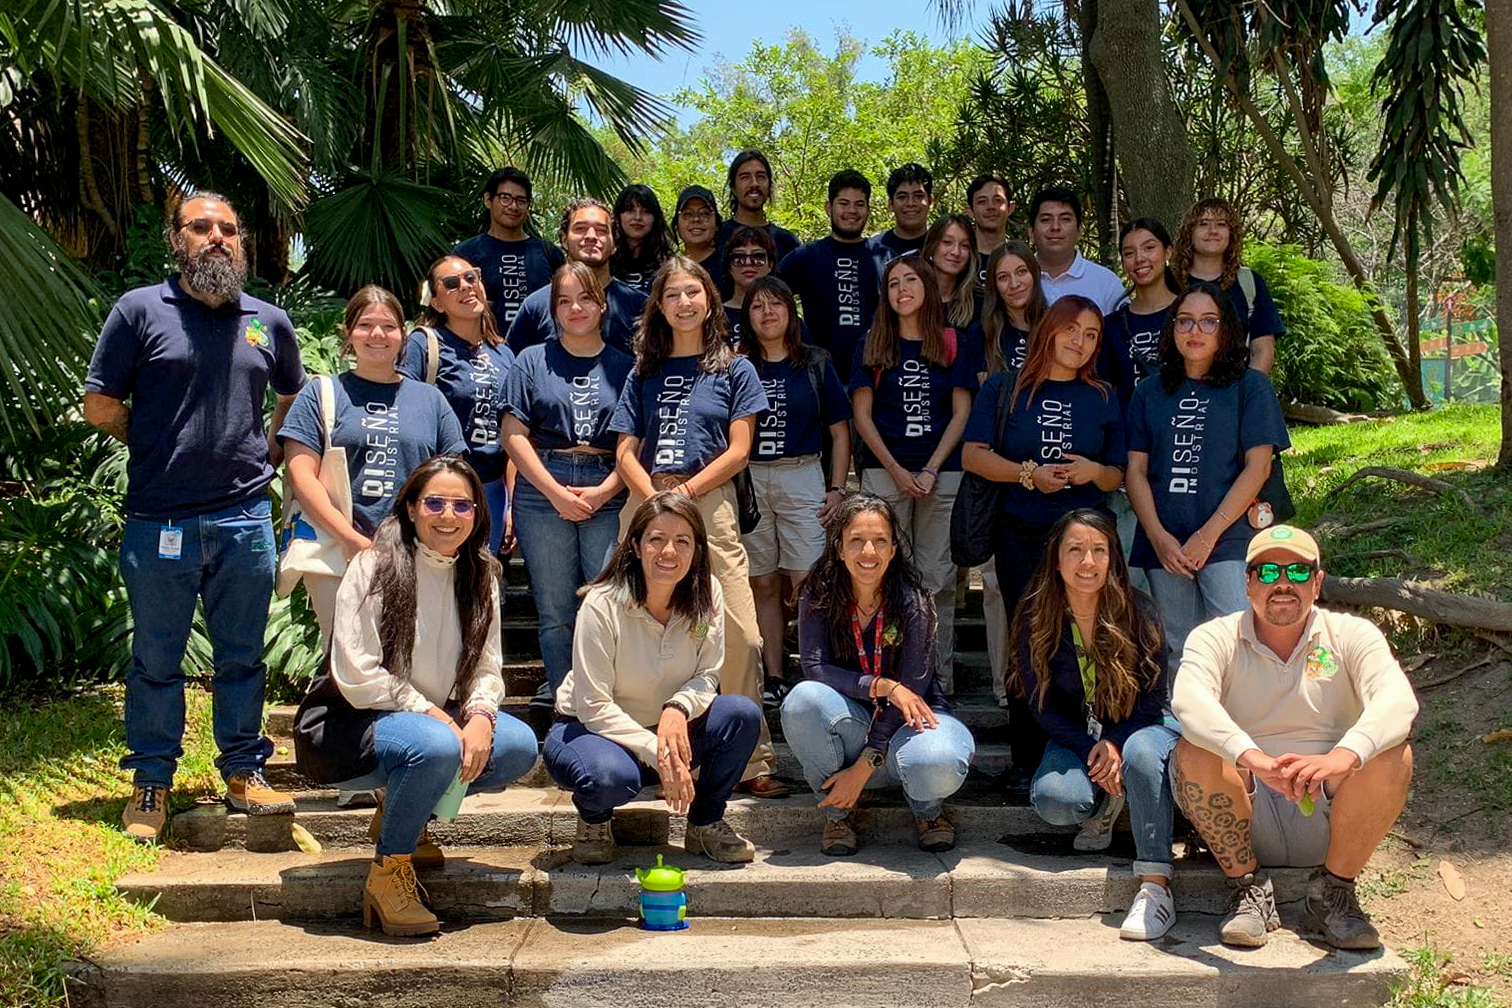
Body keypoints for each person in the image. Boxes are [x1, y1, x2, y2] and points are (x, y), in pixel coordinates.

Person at [85, 191, 304, 843]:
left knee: (243, 656)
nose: (217, 237)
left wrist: (268, 448)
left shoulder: (267, 321)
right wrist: (153, 444)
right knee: (157, 659)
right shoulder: (139, 311)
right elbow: (100, 406)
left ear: (242, 242)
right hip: (161, 520)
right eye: (201, 226)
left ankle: (243, 771)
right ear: (175, 238)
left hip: (244, 518)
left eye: (228, 229)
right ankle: (152, 780)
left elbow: (291, 395)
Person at [295, 457, 539, 936]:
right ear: (410, 508)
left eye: (462, 505)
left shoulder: (480, 574)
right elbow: (358, 673)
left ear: (477, 513)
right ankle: (389, 873)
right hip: (350, 724)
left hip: (429, 723)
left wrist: (481, 715)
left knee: (517, 746)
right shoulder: (374, 566)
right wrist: (432, 713)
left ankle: (407, 811)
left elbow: (487, 666)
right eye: (434, 503)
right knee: (437, 746)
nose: (448, 516)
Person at [1172, 525, 1417, 950]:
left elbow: (1398, 701)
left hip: (1331, 807)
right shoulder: (1214, 637)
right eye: (1268, 572)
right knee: (1194, 751)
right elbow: (1190, 703)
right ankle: (1247, 890)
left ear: (1317, 583)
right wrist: (1252, 758)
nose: (1283, 583)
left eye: (1298, 571)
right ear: (1247, 582)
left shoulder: (1353, 635)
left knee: (1395, 755)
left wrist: (1343, 756)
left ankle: (1334, 893)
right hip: (1246, 804)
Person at [609, 257, 785, 797]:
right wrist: (653, 497)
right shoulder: (643, 371)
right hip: (646, 500)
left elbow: (739, 451)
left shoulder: (735, 369)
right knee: (632, 624)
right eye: (672, 295)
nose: (683, 303)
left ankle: (749, 759)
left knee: (741, 634)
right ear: (659, 307)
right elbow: (624, 449)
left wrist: (683, 496)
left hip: (709, 501)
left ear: (709, 300)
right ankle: (636, 749)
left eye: (693, 292)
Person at [962, 294, 1126, 800]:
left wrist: (1093, 471)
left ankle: (1088, 744)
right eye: (1072, 329)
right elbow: (972, 456)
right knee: (1026, 642)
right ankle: (1025, 757)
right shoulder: (1005, 388)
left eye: (1092, 335)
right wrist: (1027, 475)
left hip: (1087, 540)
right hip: (1023, 534)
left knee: (1089, 638)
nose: (1081, 342)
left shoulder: (1103, 395)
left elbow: (1118, 473)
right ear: (1049, 330)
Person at [544, 493, 763, 865]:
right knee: (606, 777)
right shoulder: (602, 603)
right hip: (592, 730)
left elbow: (707, 673)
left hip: (667, 728)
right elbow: (593, 705)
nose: (669, 552)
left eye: (682, 541)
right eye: (656, 539)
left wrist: (678, 708)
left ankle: (706, 822)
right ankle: (594, 820)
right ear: (635, 546)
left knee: (740, 714)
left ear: (697, 549)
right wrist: (658, 752)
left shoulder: (708, 591)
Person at [1009, 509, 1180, 941]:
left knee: (1143, 754)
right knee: (1056, 801)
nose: (1088, 561)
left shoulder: (1140, 610)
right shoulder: (1035, 615)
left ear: (1113, 558)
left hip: (1140, 727)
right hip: (1078, 736)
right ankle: (1108, 796)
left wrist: (1116, 742)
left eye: (1099, 550)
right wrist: (1093, 748)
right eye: (1075, 550)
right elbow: (1039, 704)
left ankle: (1150, 865)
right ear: (1056, 559)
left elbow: (1155, 697)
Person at [781, 494, 975, 855]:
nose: (868, 551)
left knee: (939, 760)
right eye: (856, 540)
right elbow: (815, 668)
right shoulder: (819, 594)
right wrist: (881, 686)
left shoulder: (914, 600)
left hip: (909, 727)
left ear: (893, 549)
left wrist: (865, 765)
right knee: (802, 701)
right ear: (839, 548)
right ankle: (838, 813)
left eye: (880, 540)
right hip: (852, 725)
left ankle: (928, 811)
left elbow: (913, 688)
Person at [278, 286, 465, 641]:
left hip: (417, 552)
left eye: (388, 326)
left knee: (412, 655)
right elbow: (301, 475)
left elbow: (453, 479)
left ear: (403, 335)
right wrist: (350, 538)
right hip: (338, 551)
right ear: (348, 332)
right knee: (348, 656)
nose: (377, 334)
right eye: (365, 325)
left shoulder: (431, 400)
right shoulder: (321, 394)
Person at [1125, 282, 1289, 667]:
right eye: (1184, 321)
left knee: (1238, 640)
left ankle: (1244, 710)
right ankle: (1184, 710)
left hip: (1228, 535)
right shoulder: (1148, 392)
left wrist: (1208, 535)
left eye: (1208, 321)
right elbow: (1135, 470)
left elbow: (1259, 467)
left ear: (1225, 328)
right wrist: (1158, 538)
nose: (1195, 331)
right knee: (1180, 649)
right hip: (1165, 541)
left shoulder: (1250, 386)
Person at [502, 262, 634, 729]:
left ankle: (608, 706)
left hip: (608, 482)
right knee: (555, 610)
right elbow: (513, 434)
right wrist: (555, 492)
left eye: (584, 298)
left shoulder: (625, 365)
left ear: (602, 305)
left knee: (609, 603)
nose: (575, 308)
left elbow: (635, 442)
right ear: (553, 310)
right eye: (564, 301)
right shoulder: (531, 360)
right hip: (543, 485)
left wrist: (604, 491)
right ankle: (566, 709)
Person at [850, 256, 977, 691]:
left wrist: (930, 468)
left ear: (927, 287)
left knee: (937, 579)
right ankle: (889, 675)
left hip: (942, 473)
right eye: (893, 284)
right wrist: (897, 470)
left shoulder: (953, 342)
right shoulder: (872, 343)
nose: (901, 290)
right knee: (883, 575)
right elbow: (862, 416)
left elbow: (962, 412)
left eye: (910, 281)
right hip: (885, 474)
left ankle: (936, 678)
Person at [738, 275, 853, 695]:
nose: (767, 313)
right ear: (747, 317)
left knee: (809, 579)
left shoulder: (815, 362)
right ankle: (773, 676)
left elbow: (840, 431)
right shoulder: (738, 365)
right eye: (757, 306)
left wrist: (837, 489)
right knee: (762, 581)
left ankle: (817, 673)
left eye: (776, 304)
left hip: (802, 473)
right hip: (750, 477)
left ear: (791, 311)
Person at [398, 255, 516, 557]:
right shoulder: (424, 345)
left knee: (480, 576)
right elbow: (405, 414)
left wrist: (512, 504)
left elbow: (515, 430)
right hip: (441, 491)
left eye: (471, 277)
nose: (465, 286)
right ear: (437, 303)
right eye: (451, 283)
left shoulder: (504, 353)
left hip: (492, 488)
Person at [505, 198, 650, 355]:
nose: (591, 236)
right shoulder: (536, 305)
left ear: (615, 243)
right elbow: (511, 363)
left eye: (601, 230)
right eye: (580, 229)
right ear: (564, 239)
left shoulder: (641, 307)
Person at [777, 170, 880, 385]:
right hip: (819, 380)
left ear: (868, 210)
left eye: (859, 204)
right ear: (828, 207)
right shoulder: (804, 257)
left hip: (877, 378)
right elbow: (768, 298)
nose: (851, 211)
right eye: (844, 203)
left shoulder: (885, 258)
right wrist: (798, 339)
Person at [1170, 198, 1284, 373]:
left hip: (1236, 385)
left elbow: (1262, 350)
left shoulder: (1250, 283)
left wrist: (1250, 388)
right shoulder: (1170, 281)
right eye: (1204, 224)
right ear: (1189, 232)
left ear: (1231, 234)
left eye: (1221, 224)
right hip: (1176, 385)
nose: (1213, 231)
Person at [454, 167, 565, 328]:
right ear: (488, 200)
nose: (513, 206)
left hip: (541, 343)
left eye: (521, 200)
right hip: (485, 342)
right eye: (505, 198)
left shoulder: (549, 254)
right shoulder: (466, 254)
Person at [1029, 186, 1125, 314]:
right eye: (1046, 220)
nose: (1055, 227)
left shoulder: (1106, 283)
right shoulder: (1016, 281)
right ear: (1031, 231)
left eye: (1065, 219)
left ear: (1080, 230)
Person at [1109, 218, 1180, 384]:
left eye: (1149, 248)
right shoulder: (1112, 326)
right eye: (1129, 253)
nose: (1139, 258)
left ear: (1168, 252)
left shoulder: (1191, 314)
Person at [976, 240, 1048, 375]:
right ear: (994, 285)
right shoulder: (981, 333)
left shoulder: (1056, 328)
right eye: (1003, 277)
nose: (1014, 284)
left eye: (1021, 272)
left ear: (1035, 273)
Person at [715, 149, 800, 262]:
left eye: (761, 176)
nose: (754, 183)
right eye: (745, 177)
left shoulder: (786, 241)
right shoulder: (716, 238)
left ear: (769, 186)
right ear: (733, 188)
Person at [868, 162, 935, 269]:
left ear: (930, 201)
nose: (910, 203)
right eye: (902, 197)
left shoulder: (942, 247)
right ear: (890, 204)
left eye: (918, 196)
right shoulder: (873, 250)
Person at [721, 224, 780, 346]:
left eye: (758, 257)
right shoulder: (715, 316)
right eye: (738, 258)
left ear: (770, 264)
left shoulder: (784, 315)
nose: (748, 262)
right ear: (729, 266)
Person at [609, 183, 674, 293]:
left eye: (645, 211)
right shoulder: (605, 260)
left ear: (655, 218)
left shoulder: (668, 264)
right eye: (630, 210)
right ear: (618, 216)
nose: (638, 217)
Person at [921, 213, 981, 331]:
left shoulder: (980, 302)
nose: (956, 252)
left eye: (964, 245)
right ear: (931, 246)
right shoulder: (913, 295)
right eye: (947, 242)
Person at [672, 184, 728, 293]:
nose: (696, 219)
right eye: (688, 214)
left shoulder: (731, 267)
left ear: (717, 224)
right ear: (676, 226)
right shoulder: (670, 270)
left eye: (705, 214)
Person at [966, 173, 1014, 287]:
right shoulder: (959, 259)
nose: (991, 207)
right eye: (982, 201)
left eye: (998, 200)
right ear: (970, 211)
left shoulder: (1020, 259)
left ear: (1010, 208)